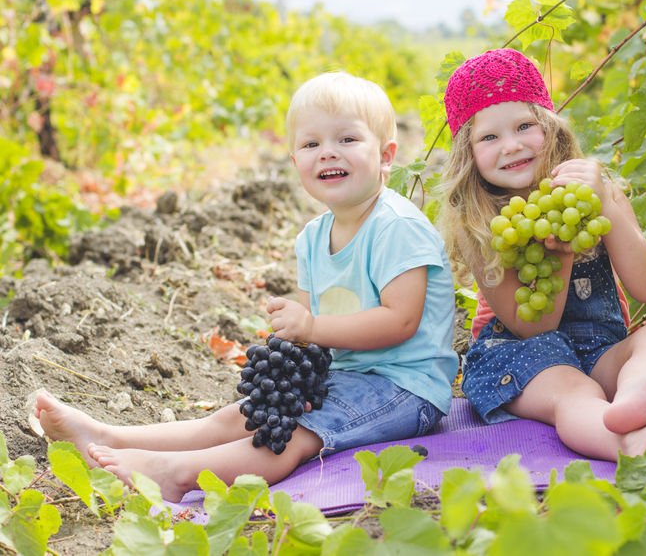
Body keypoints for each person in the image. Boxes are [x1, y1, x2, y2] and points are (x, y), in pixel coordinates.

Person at [33, 72, 459, 502]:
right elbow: (314, 338)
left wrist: (309, 328)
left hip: (405, 389)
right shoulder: (313, 236)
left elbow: (400, 321)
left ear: (386, 156)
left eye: (347, 140)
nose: (328, 152)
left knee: (289, 436)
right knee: (240, 416)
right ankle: (109, 435)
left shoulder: (397, 227)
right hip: (345, 375)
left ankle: (175, 473)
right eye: (311, 145)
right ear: (295, 162)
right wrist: (296, 372)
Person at [438, 48, 646, 461]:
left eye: (525, 125)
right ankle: (630, 444)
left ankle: (635, 397)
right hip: (521, 359)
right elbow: (535, 326)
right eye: (489, 136)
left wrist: (607, 206)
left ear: (551, 130)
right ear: (467, 153)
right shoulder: (478, 224)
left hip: (598, 351)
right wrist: (561, 251)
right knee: (575, 392)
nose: (512, 145)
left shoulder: (596, 192)